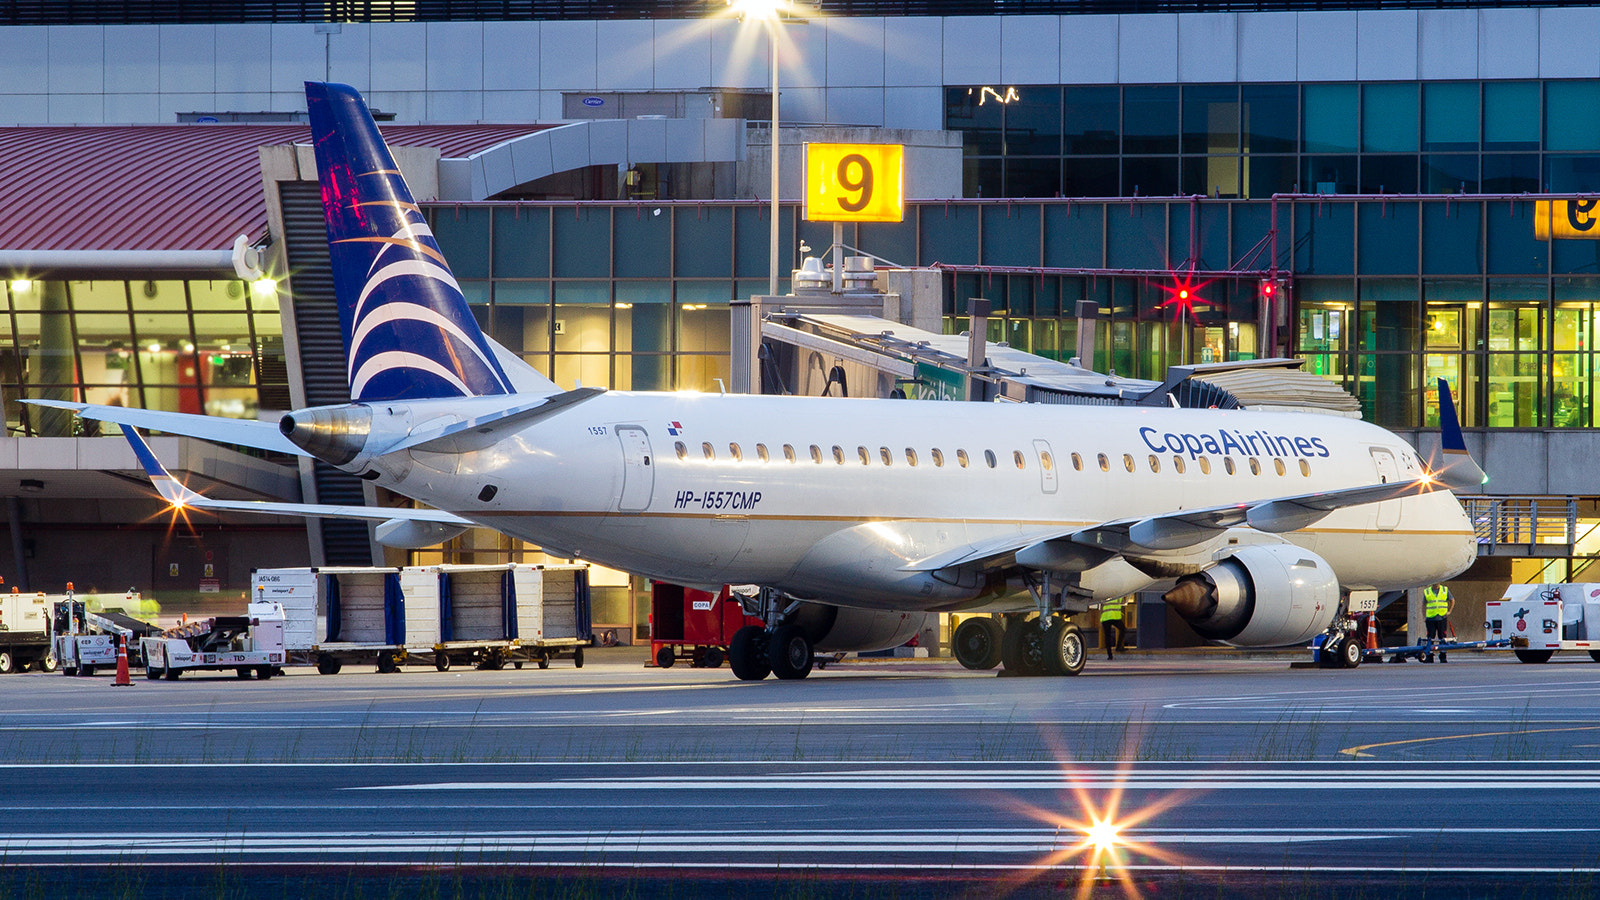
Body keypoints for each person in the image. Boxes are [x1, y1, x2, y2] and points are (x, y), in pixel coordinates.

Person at [1422, 582, 1453, 663]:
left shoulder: (1444, 590)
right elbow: (1423, 604)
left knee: (1442, 637)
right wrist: (1424, 617)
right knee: (1430, 637)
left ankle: (1443, 655)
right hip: (1431, 618)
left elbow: (1452, 600)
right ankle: (1430, 655)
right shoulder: (1427, 591)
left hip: (1441, 617)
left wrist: (1449, 611)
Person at [1100, 596, 1129, 661]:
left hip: (1106, 617)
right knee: (1123, 629)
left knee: (1108, 637)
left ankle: (1110, 655)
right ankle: (1118, 646)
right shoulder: (1119, 595)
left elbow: (1101, 606)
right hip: (1115, 617)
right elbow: (1123, 602)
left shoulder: (1106, 593)